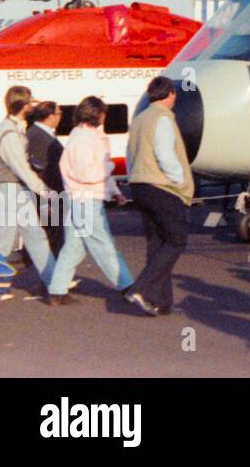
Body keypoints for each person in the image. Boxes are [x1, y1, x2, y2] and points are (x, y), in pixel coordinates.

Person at [46, 97, 134, 305]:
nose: (104, 116)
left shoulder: (83, 136)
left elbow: (95, 171)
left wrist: (113, 191)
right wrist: (110, 171)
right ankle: (127, 285)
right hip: (87, 199)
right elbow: (88, 173)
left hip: (78, 198)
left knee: (74, 247)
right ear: (95, 114)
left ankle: (57, 290)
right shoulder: (85, 140)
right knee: (103, 244)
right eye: (102, 112)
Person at [125, 76, 194, 316]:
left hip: (139, 184)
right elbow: (164, 153)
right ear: (170, 94)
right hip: (161, 187)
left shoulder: (140, 119)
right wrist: (180, 180)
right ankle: (141, 288)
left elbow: (129, 154)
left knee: (157, 242)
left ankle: (161, 301)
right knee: (176, 239)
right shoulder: (162, 119)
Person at [0, 86, 55, 297]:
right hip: (10, 190)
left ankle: (55, 280)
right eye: (30, 103)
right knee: (6, 240)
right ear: (22, 105)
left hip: (14, 189)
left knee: (33, 235)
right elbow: (21, 168)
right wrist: (43, 190)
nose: (32, 106)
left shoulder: (13, 128)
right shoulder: (9, 132)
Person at [25, 101, 67, 255]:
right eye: (58, 113)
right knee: (53, 237)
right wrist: (44, 203)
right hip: (48, 195)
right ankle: (53, 275)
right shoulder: (37, 135)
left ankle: (54, 275)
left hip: (52, 194)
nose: (60, 117)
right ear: (50, 116)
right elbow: (39, 171)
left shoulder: (42, 133)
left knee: (54, 236)